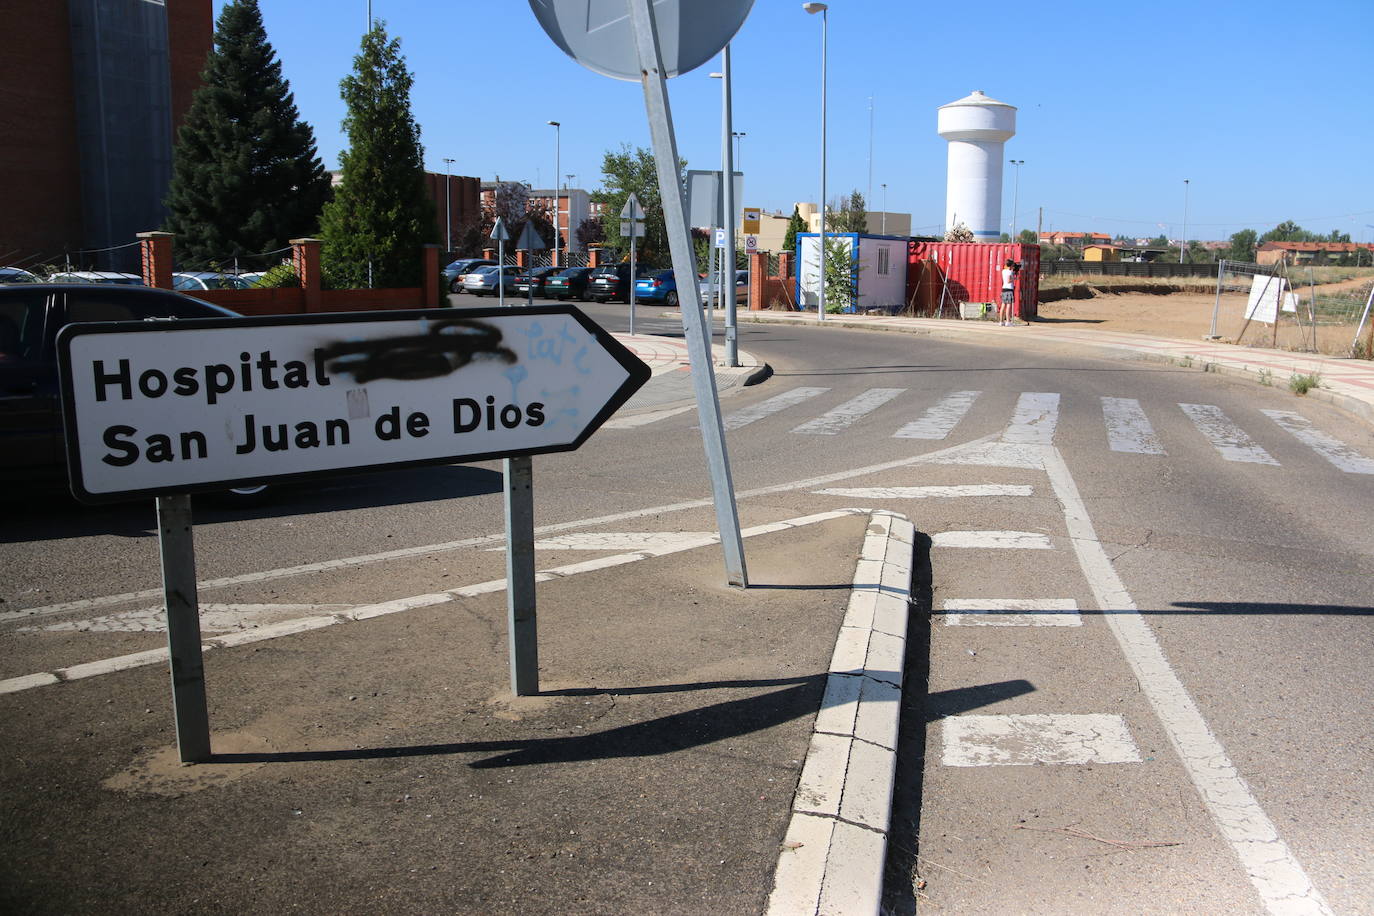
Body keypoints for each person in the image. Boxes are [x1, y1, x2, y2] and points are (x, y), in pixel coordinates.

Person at [998, 259, 1018, 326]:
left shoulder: (1003, 271)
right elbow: (1009, 280)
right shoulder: (1010, 272)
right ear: (1011, 265)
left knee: (1003, 305)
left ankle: (1001, 321)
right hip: (1009, 290)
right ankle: (1008, 322)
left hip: (1004, 289)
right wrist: (1015, 278)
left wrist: (1013, 272)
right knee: (1009, 306)